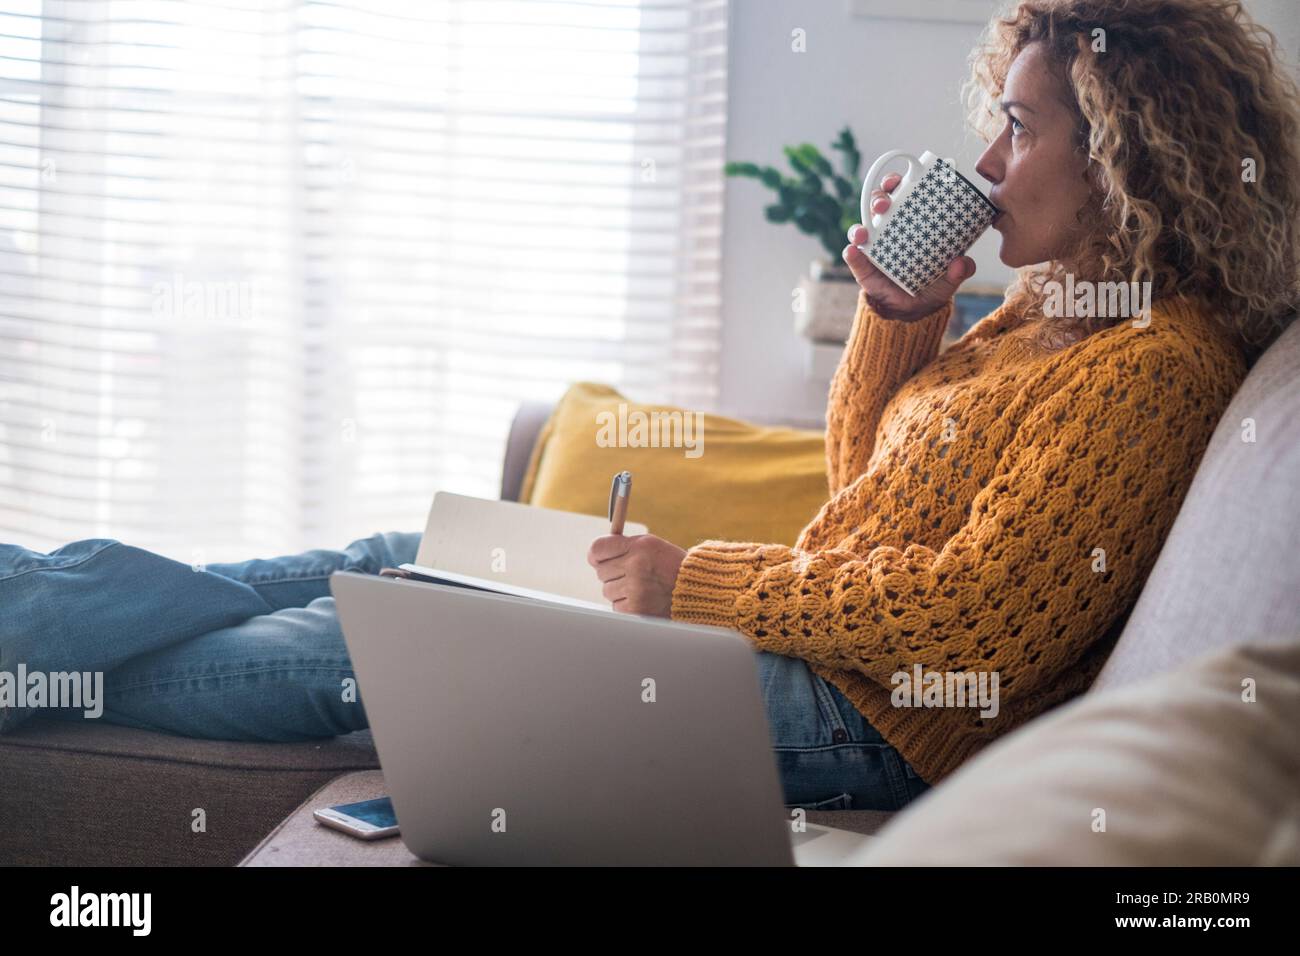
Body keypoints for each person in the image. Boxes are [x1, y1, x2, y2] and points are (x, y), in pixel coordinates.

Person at [2, 0, 1297, 814]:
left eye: (1020, 128)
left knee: (373, 637)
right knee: (403, 552)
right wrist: (899, 322)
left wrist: (700, 588)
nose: (990, 162)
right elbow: (865, 489)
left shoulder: (1151, 366)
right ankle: (27, 610)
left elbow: (985, 624)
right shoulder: (1048, 305)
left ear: (1127, 146)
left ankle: (35, 657)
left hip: (870, 721)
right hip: (797, 647)